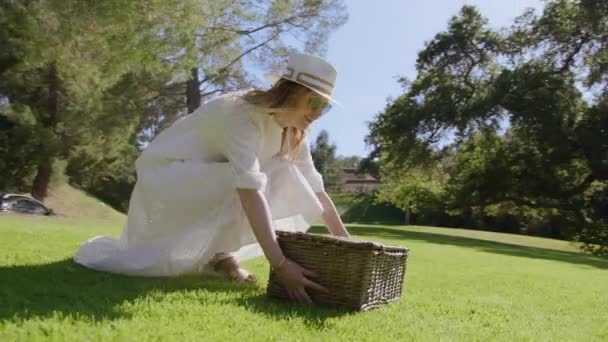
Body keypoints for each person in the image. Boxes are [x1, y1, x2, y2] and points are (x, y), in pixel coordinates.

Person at [74, 53, 350, 304]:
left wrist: (348, 243)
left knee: (283, 173)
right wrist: (280, 264)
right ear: (291, 92)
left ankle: (220, 257)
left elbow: (315, 188)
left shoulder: (295, 131)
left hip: (214, 178)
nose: (317, 113)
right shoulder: (241, 113)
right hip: (170, 176)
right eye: (314, 102)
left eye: (325, 108)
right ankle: (223, 258)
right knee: (254, 179)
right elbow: (249, 190)